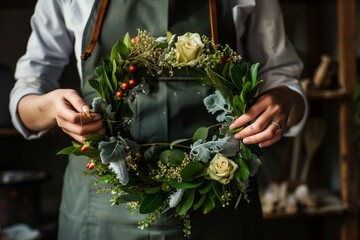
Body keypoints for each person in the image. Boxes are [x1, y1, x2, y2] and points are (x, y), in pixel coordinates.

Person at [9, 0, 308, 239]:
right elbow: (26, 95)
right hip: (98, 212)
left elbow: (284, 78)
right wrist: (50, 108)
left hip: (220, 211)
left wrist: (284, 98)